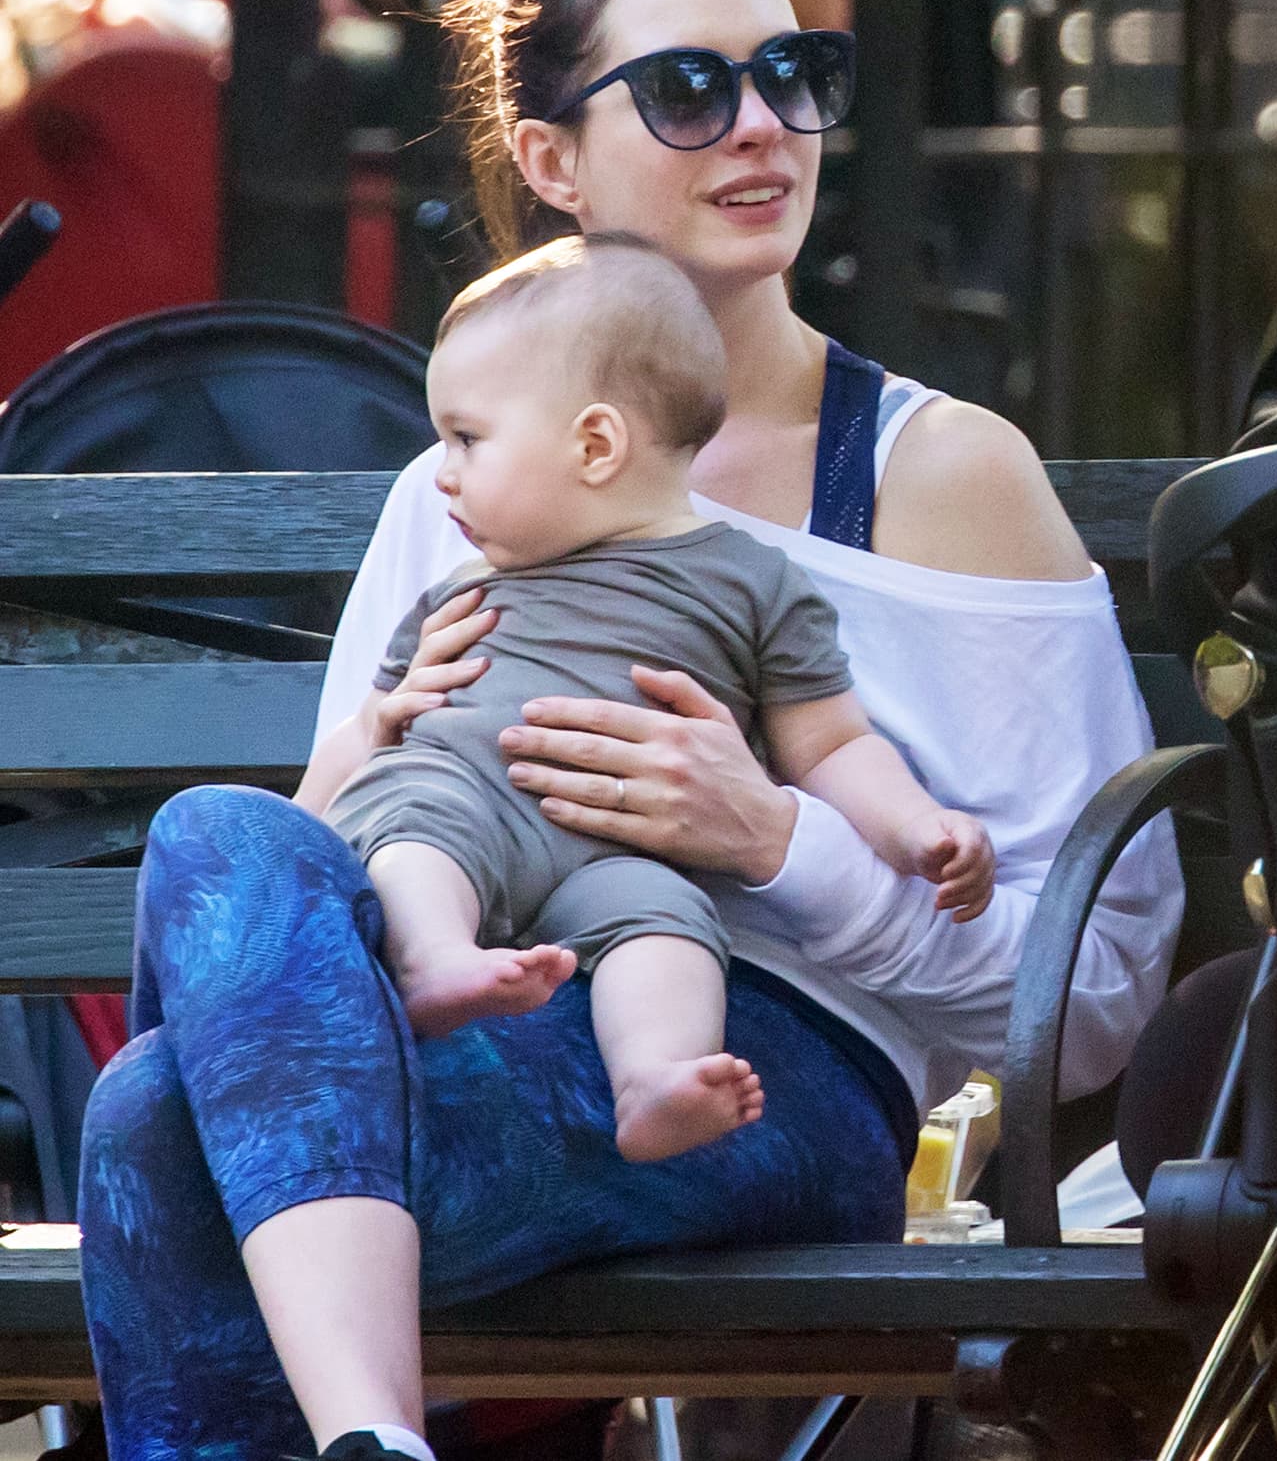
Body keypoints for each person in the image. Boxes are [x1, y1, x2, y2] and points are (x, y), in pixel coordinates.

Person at [77, 0, 1182, 1461]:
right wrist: (364, 767)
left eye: (794, 72)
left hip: (758, 1077)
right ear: (549, 157)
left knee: (157, 1127)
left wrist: (775, 842)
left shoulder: (944, 476)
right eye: (686, 89)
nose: (762, 124)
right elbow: (328, 883)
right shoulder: (456, 490)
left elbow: (1099, 990)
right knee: (221, 842)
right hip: (461, 1018)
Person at [313, 233, 994, 1164]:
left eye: (467, 438)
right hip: (468, 802)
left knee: (669, 923)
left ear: (595, 444)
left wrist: (917, 827)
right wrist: (371, 731)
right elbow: (335, 796)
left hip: (617, 854)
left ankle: (658, 1082)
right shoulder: (460, 589)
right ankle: (436, 959)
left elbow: (831, 746)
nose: (443, 472)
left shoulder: (756, 584)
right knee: (415, 823)